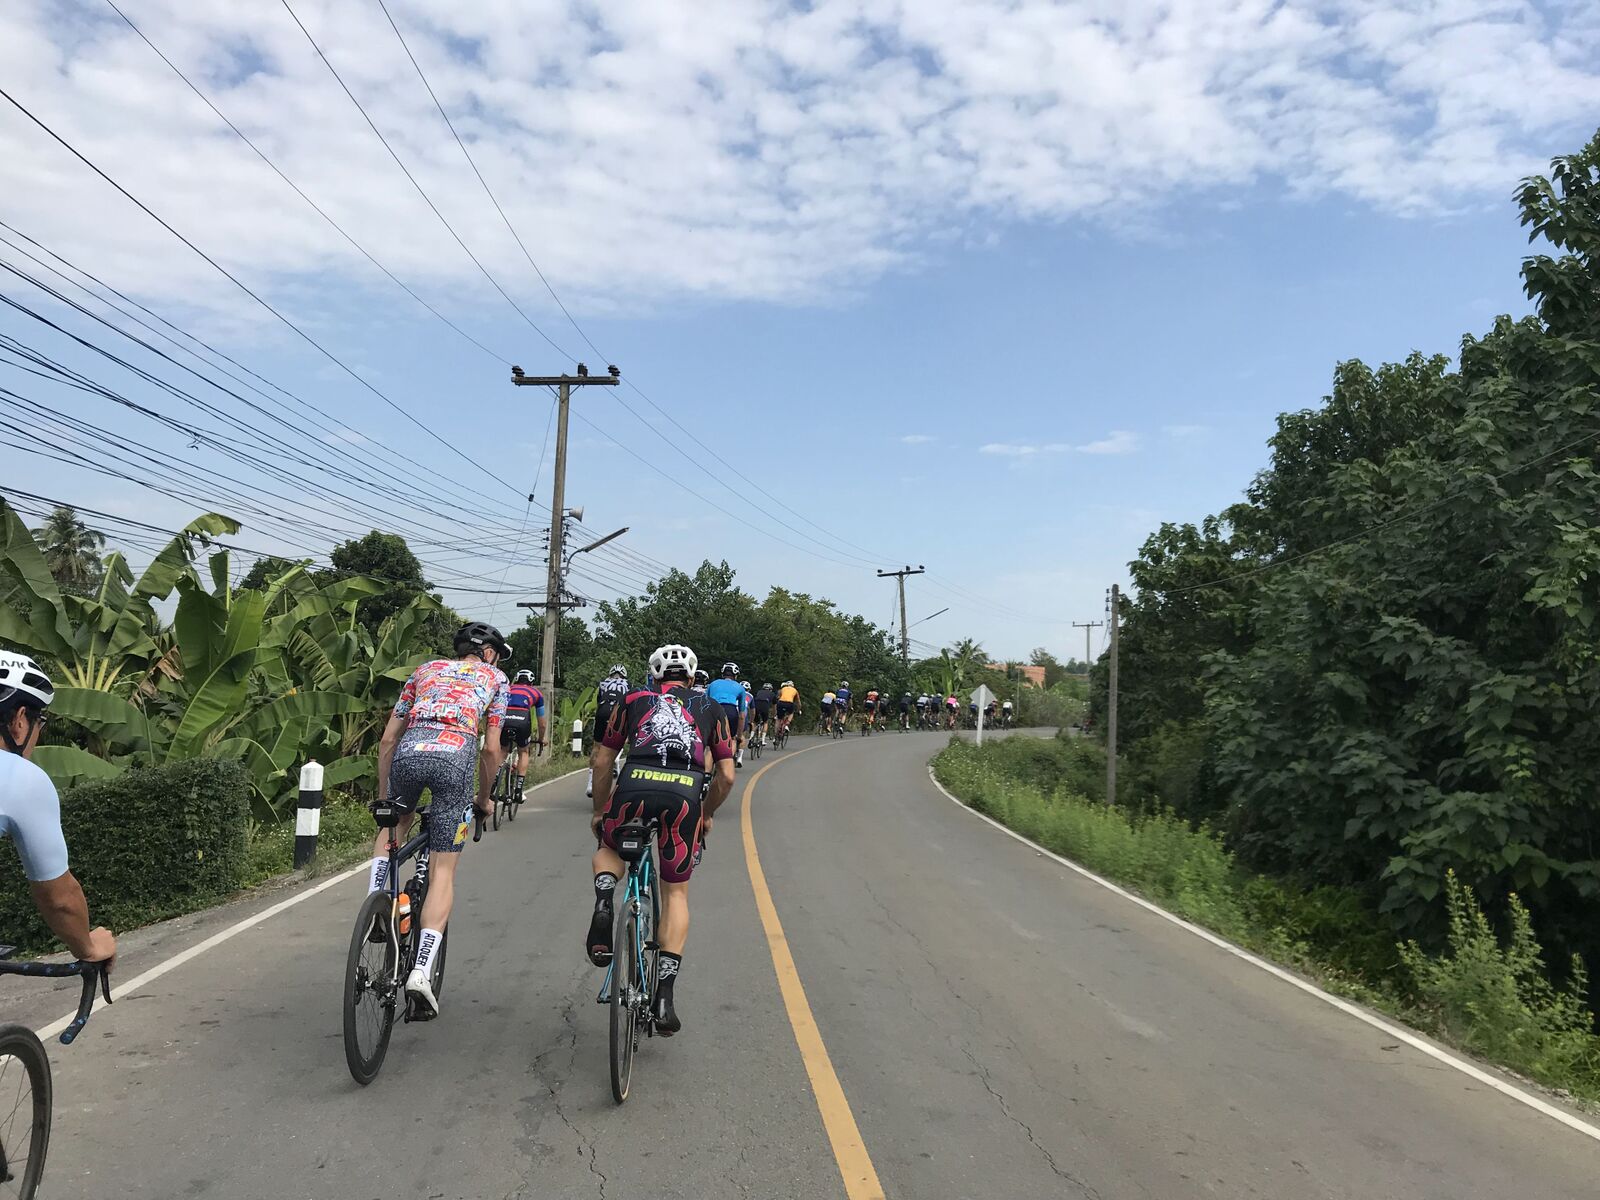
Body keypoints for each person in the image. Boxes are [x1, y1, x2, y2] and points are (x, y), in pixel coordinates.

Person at [585, 643, 735, 1035]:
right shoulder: (711, 708)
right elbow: (727, 776)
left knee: (610, 848)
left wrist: (601, 811)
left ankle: (605, 898)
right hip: (684, 796)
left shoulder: (633, 698)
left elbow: (603, 760)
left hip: (634, 785)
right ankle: (664, 997)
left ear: (654, 675)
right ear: (690, 676)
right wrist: (706, 814)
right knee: (676, 896)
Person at [370, 621, 510, 1015]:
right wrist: (484, 799)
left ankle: (375, 904)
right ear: (487, 653)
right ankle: (421, 970)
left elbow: (386, 740)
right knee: (443, 873)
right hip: (455, 758)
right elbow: (491, 749)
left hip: (410, 751)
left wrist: (385, 799)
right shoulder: (496, 678)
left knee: (392, 828)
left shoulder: (424, 670)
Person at [0, 653, 117, 967]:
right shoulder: (19, 777)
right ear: (20, 719)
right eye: (41, 722)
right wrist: (88, 946)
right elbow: (60, 898)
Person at [502, 670, 547, 801]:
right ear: (531, 682)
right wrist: (541, 738)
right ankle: (518, 791)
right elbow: (542, 723)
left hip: (505, 719)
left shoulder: (508, 688)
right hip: (522, 720)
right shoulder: (537, 693)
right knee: (524, 752)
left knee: (502, 750)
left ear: (516, 679)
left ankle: (494, 782)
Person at [589, 664, 631, 798]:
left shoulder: (603, 683)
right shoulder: (628, 684)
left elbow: (599, 701)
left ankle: (590, 783)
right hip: (617, 712)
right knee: (618, 742)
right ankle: (616, 759)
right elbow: (627, 703)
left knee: (597, 746)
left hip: (603, 710)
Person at [706, 662, 750, 768]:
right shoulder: (740, 688)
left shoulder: (712, 684)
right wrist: (739, 735)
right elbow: (742, 715)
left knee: (710, 745)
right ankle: (726, 765)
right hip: (731, 711)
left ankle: (706, 775)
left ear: (723, 674)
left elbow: (704, 703)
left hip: (714, 709)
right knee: (732, 739)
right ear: (735, 675)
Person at [751, 681, 776, 745]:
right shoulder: (772, 694)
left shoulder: (759, 692)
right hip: (765, 705)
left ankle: (751, 737)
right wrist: (774, 715)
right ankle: (763, 740)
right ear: (770, 689)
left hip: (756, 704)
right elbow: (774, 707)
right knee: (765, 722)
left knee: (755, 722)